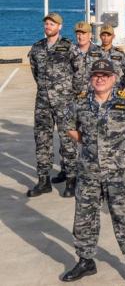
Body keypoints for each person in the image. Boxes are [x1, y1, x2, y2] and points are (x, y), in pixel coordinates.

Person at [61, 59, 125, 282]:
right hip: (89, 170)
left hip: (119, 171)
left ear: (113, 79)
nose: (100, 78)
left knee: (124, 215)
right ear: (91, 79)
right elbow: (69, 127)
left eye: (105, 75)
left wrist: (124, 145)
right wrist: (89, 142)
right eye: (96, 75)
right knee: (85, 217)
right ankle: (85, 260)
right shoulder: (80, 102)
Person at [27, 12, 79, 198]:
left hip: (64, 102)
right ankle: (43, 181)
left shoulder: (69, 47)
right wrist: (46, 90)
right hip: (42, 103)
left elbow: (79, 73)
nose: (48, 26)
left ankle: (71, 179)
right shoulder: (37, 48)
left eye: (52, 23)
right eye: (47, 23)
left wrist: (71, 94)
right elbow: (35, 72)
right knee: (42, 140)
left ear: (60, 27)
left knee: (68, 140)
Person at [70, 21, 104, 94]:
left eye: (83, 33)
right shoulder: (70, 52)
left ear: (90, 35)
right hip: (74, 96)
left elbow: (109, 75)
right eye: (78, 34)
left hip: (94, 95)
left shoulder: (100, 52)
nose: (81, 37)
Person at [98, 24, 125, 89]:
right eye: (103, 35)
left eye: (108, 35)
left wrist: (120, 86)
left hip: (113, 92)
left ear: (113, 36)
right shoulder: (93, 53)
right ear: (100, 36)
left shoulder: (119, 54)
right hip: (97, 91)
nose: (105, 38)